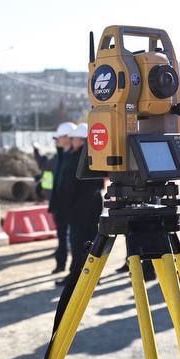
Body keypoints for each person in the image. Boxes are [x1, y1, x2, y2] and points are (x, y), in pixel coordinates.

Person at [58, 122, 104, 288]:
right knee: (92, 242)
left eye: (75, 138)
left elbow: (70, 186)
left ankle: (76, 276)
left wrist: (65, 205)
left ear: (82, 140)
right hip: (92, 205)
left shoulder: (77, 158)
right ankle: (93, 276)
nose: (73, 141)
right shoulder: (96, 157)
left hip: (79, 208)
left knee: (79, 244)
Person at [45, 122, 78, 274]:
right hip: (59, 205)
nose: (56, 140)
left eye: (59, 137)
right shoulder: (60, 155)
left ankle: (74, 268)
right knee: (61, 236)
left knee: (74, 239)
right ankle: (60, 264)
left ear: (67, 137)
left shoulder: (74, 158)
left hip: (71, 206)